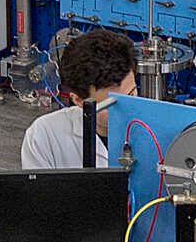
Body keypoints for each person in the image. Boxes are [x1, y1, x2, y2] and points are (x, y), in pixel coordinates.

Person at [21, 29, 140, 169]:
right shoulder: (44, 136)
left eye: (131, 94)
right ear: (78, 100)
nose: (127, 109)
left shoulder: (158, 131)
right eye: (111, 104)